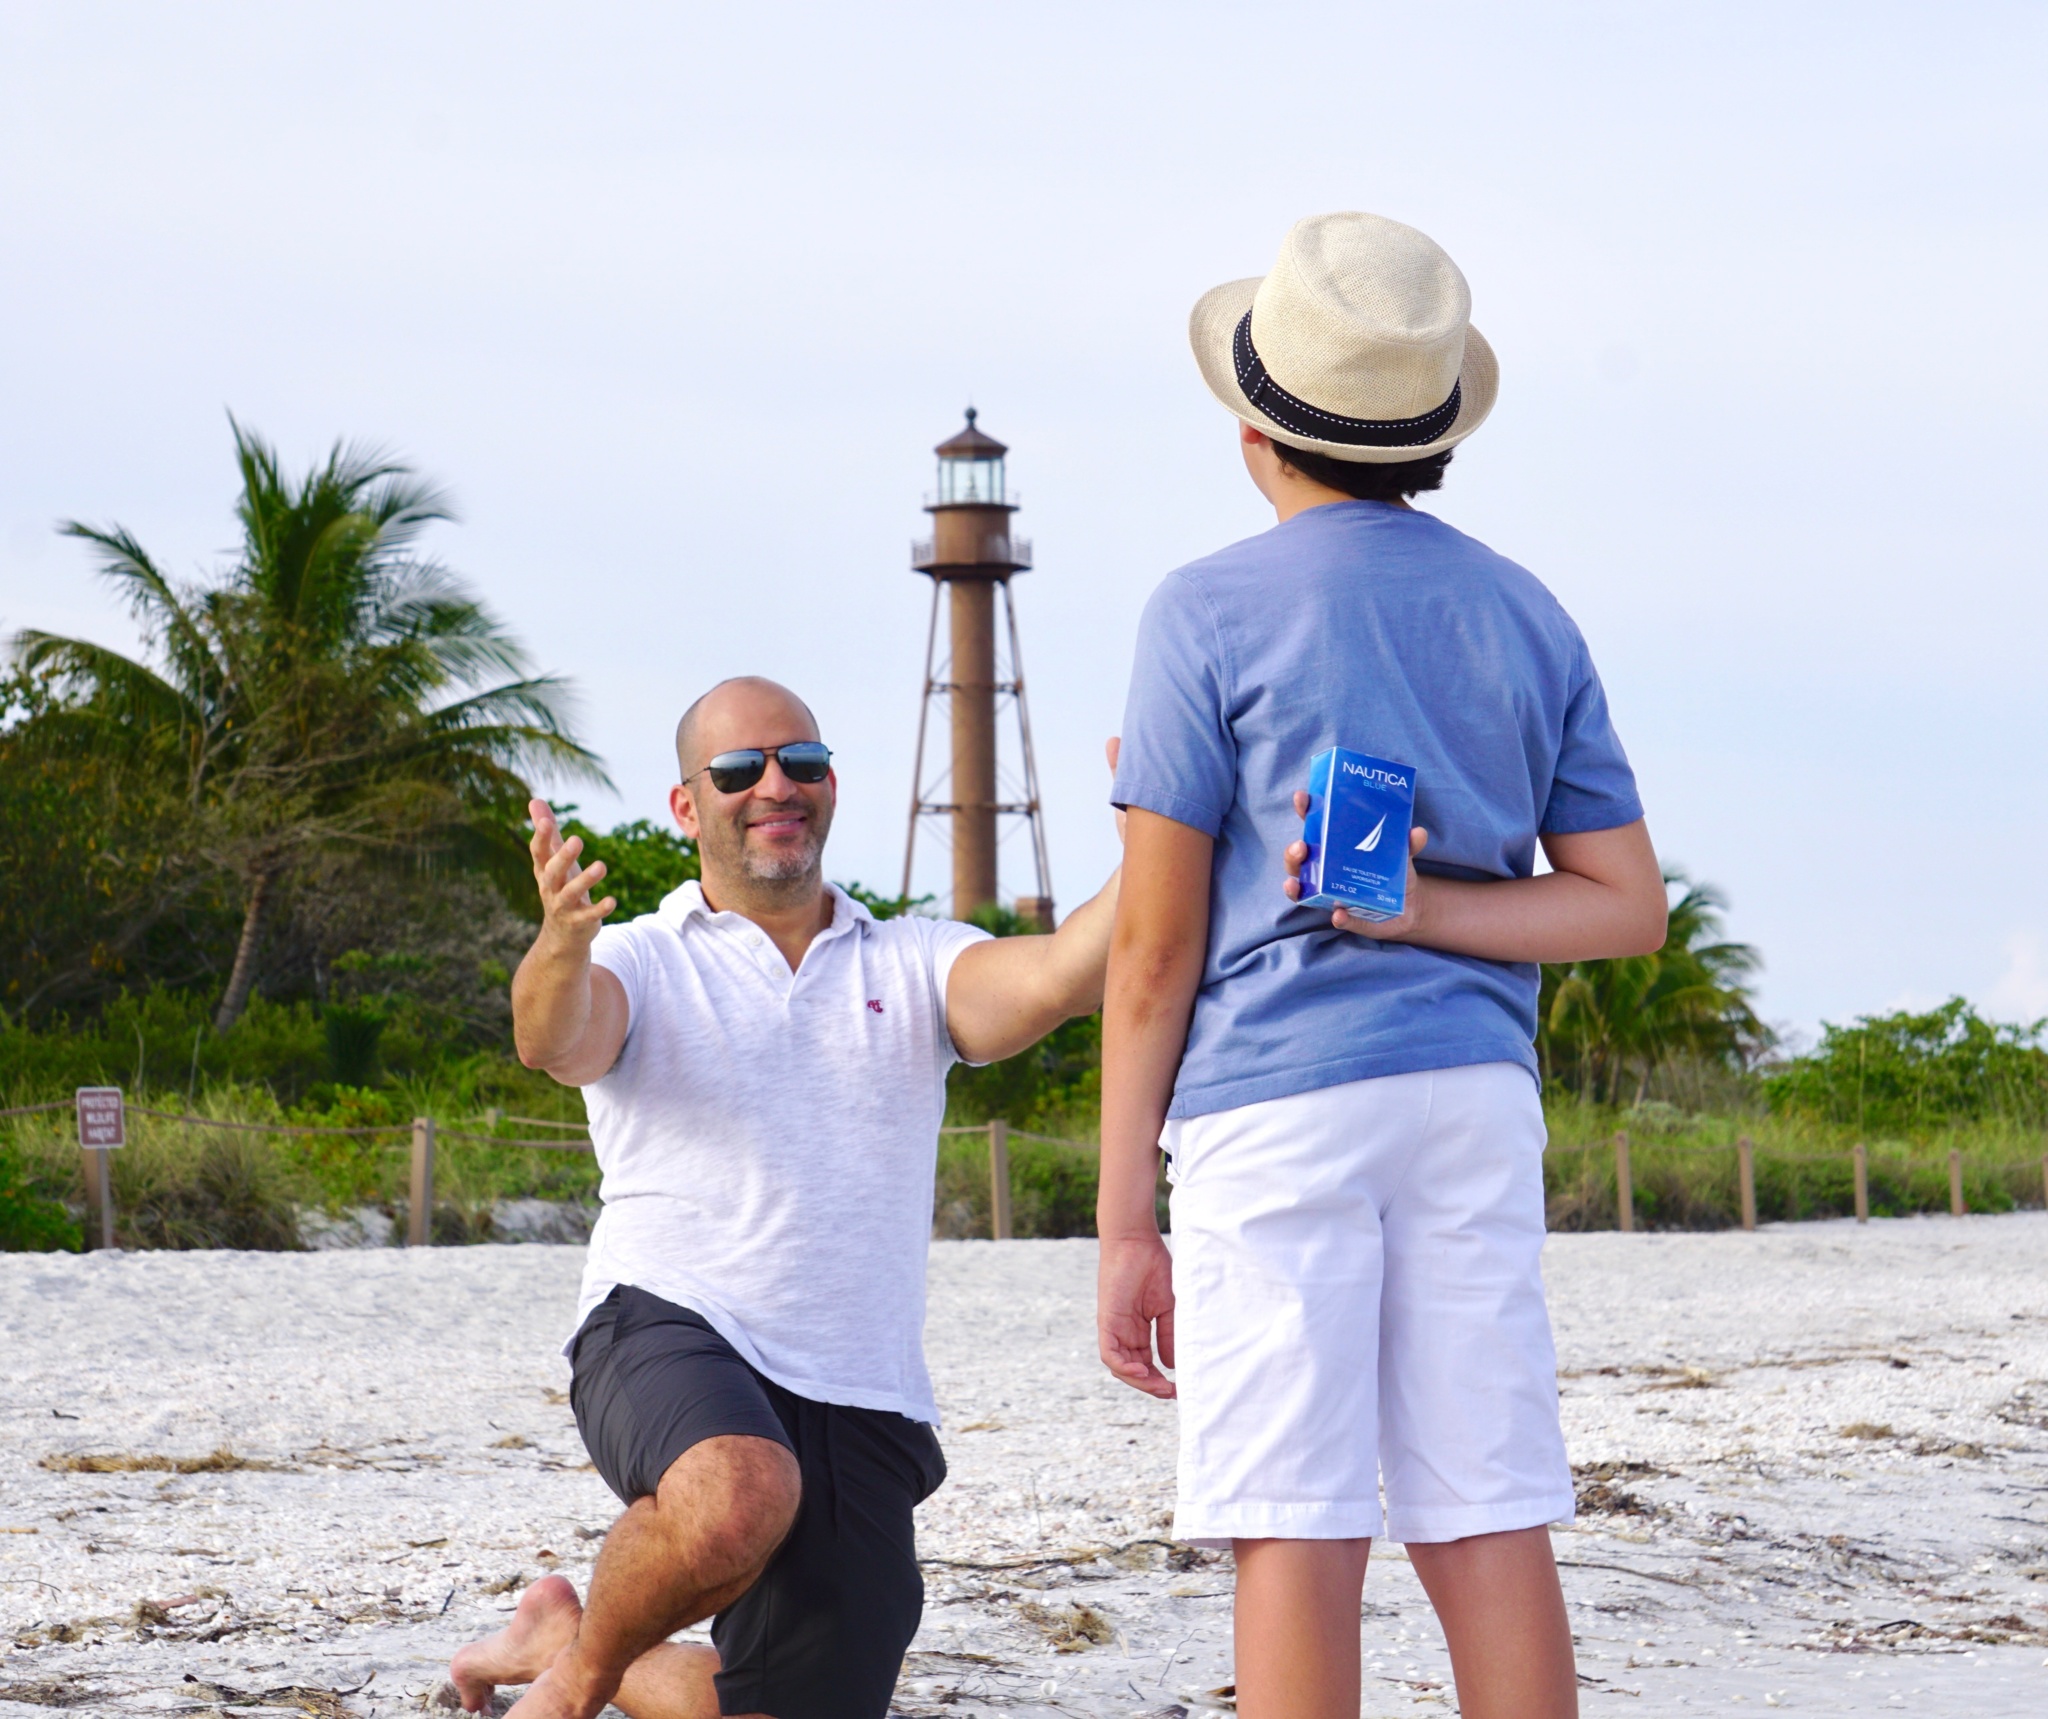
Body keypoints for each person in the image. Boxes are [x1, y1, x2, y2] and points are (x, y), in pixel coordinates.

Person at [1097, 212, 1669, 1719]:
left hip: (1277, 1099)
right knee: (1484, 1503)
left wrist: (1118, 1219)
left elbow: (1154, 953)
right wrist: (1430, 911)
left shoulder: (1203, 609)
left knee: (1297, 1517)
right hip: (1474, 1095)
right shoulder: (1523, 608)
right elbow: (1624, 906)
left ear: (1254, 425)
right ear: (1431, 430)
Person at [449, 675, 1121, 1719]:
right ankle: (574, 1684)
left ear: (829, 784)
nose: (776, 784)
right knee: (735, 1497)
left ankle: (567, 1637)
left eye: (800, 762)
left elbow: (1065, 973)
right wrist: (559, 944)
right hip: (668, 1324)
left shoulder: (911, 957)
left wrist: (1151, 840)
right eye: (738, 769)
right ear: (687, 806)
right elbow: (555, 1036)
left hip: (860, 1391)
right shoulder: (641, 958)